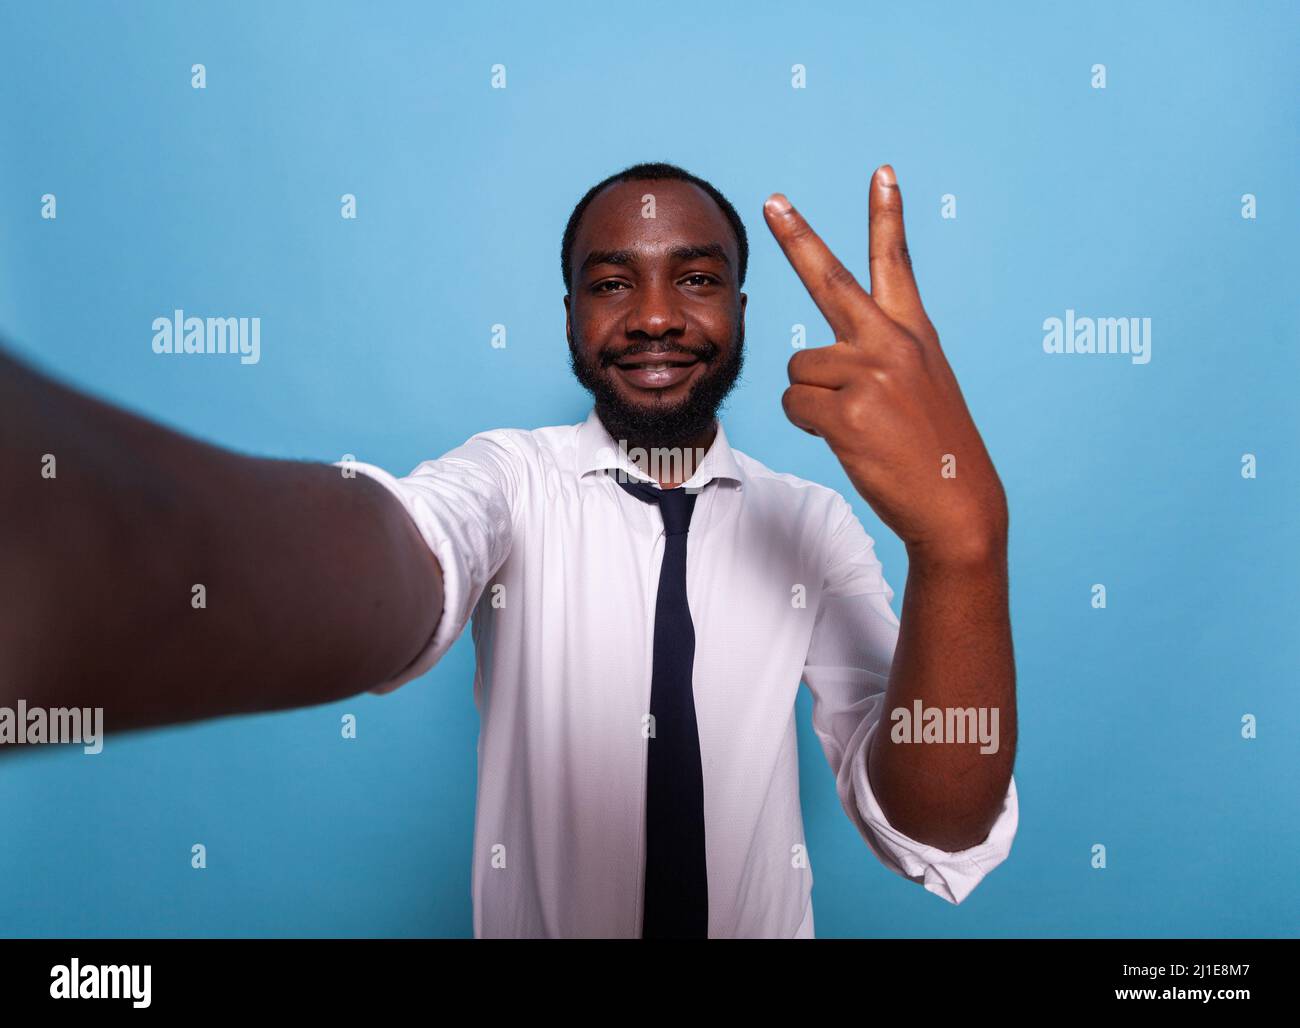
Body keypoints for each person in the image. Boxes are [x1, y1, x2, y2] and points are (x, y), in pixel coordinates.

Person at [0, 160, 1018, 938]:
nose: (655, 316)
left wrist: (961, 549)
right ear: (571, 313)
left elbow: (936, 819)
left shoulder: (811, 523)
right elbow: (409, 550)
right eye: (611, 282)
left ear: (740, 310)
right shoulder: (509, 478)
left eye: (695, 278)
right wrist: (84, 546)